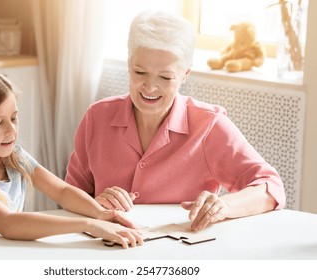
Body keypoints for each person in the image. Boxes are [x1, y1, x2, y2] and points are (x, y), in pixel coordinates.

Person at [65, 10, 286, 232]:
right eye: (140, 72)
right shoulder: (97, 117)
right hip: (107, 249)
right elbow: (68, 197)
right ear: (129, 64)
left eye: (165, 77)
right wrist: (95, 206)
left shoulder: (208, 125)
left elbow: (271, 187)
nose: (150, 87)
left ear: (185, 75)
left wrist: (224, 206)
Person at [0, 68, 143, 249]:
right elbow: (8, 223)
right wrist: (88, 224)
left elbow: (62, 191)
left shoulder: (15, 158)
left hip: (1, 256)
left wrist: (101, 214)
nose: (11, 129)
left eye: (14, 118)